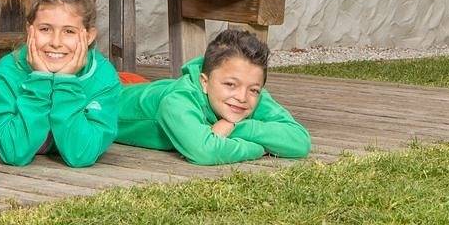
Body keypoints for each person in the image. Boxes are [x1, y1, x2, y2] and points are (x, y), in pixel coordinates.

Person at [0, 0, 121, 167]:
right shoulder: (10, 69)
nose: (55, 41)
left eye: (69, 31)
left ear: (88, 36)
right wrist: (40, 80)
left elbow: (80, 155)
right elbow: (13, 152)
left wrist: (66, 83)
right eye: (45, 29)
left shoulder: (104, 78)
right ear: (30, 31)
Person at [115, 28, 310, 164]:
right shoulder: (177, 100)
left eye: (254, 89)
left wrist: (237, 126)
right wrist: (260, 148)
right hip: (108, 100)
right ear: (204, 82)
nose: (242, 97)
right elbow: (204, 151)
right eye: (230, 84)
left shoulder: (250, 94)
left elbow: (300, 142)